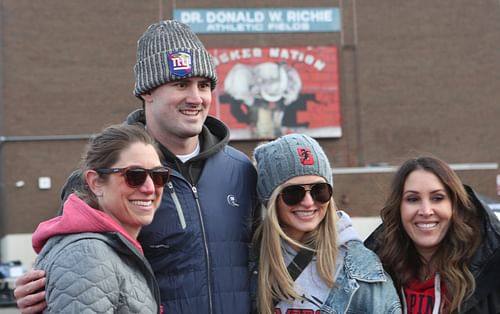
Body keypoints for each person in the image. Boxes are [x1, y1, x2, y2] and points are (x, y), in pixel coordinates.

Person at [15, 20, 257, 314]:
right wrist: (37, 287)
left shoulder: (241, 171)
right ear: (147, 92)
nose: (196, 98)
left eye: (203, 85)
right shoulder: (104, 178)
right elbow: (73, 262)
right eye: (181, 84)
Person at [251, 133, 401, 314]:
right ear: (271, 200)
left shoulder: (363, 270)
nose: (308, 202)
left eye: (319, 190)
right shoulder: (250, 260)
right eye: (293, 193)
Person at [31, 124, 166, 313]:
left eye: (159, 175)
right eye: (135, 175)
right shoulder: (88, 256)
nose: (150, 187)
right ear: (95, 183)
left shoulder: (111, 250)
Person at [365, 156, 500, 313]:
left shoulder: (492, 271)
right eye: (413, 199)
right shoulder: (373, 275)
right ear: (399, 208)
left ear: (454, 206)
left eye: (437, 198)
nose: (426, 211)